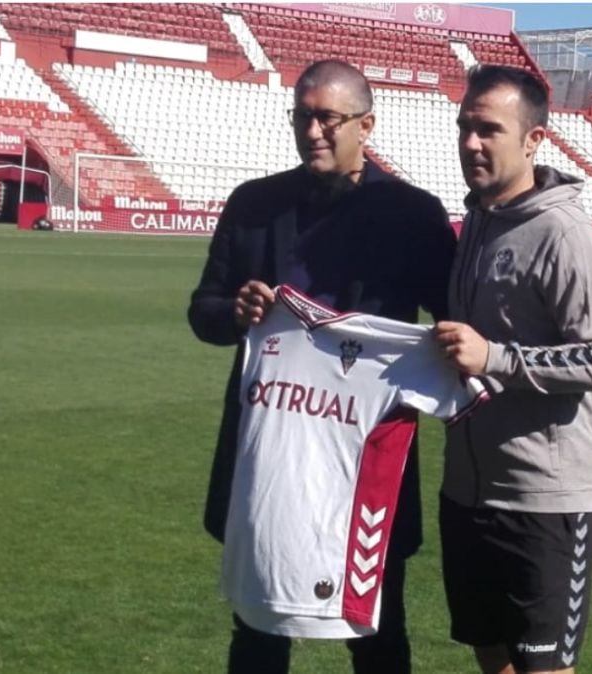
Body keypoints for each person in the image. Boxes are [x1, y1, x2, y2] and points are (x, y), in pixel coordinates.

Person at [187, 60, 455, 674]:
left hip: (367, 455)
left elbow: (453, 316)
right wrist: (235, 312)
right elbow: (203, 311)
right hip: (268, 454)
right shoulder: (254, 205)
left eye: (328, 119)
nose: (312, 131)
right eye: (302, 117)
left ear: (366, 125)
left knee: (377, 631)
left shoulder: (413, 214)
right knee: (258, 630)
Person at [434, 65, 592, 674]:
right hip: (465, 492)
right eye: (464, 127)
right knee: (492, 657)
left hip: (543, 501)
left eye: (489, 129)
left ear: (534, 139)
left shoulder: (566, 234)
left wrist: (494, 357)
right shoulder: (476, 224)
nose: (471, 143)